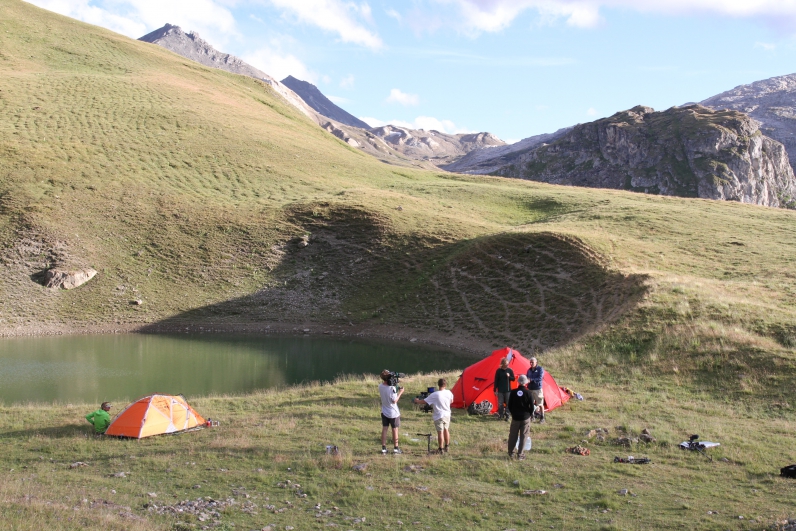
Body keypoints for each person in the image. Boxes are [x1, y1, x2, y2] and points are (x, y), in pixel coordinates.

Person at [413, 378, 454, 454]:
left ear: (438, 385)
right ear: (445, 385)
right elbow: (451, 401)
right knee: (446, 430)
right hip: (447, 414)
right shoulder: (449, 392)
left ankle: (440, 449)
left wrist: (417, 401)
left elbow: (424, 401)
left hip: (439, 415)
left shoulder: (435, 394)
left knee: (440, 432)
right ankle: (447, 446)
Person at [507, 375, 535, 460]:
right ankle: (520, 454)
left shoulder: (513, 392)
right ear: (526, 383)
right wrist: (529, 415)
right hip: (525, 417)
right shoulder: (528, 393)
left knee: (513, 435)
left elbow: (509, 405)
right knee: (523, 436)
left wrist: (513, 413)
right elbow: (532, 407)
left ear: (518, 382)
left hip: (515, 417)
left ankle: (511, 453)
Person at [379, 370, 405, 454]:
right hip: (393, 413)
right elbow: (394, 400)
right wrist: (400, 392)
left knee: (384, 429)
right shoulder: (392, 388)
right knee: (395, 430)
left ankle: (383, 448)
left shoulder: (380, 386)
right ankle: (396, 448)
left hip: (384, 411)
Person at [493, 357, 515, 421]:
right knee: (500, 403)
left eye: (508, 364)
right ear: (502, 364)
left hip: (508, 390)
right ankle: (501, 415)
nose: (507, 365)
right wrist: (494, 390)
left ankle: (507, 415)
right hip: (500, 390)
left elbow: (513, 379)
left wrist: (509, 376)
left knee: (508, 403)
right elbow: (496, 380)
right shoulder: (498, 371)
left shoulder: (510, 370)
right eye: (506, 364)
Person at [526, 357, 546, 423]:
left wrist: (531, 380)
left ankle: (542, 418)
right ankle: (532, 416)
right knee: (530, 403)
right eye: (530, 362)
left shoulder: (540, 369)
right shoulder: (529, 370)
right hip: (530, 389)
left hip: (537, 389)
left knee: (540, 404)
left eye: (532, 362)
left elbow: (540, 378)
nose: (531, 363)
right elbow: (527, 377)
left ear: (536, 362)